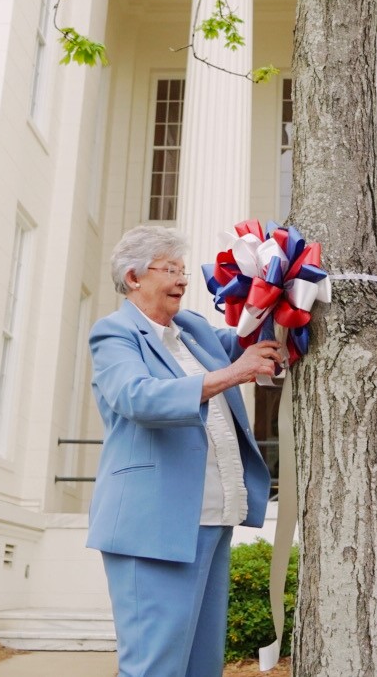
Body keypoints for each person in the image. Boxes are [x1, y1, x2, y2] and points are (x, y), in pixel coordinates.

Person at [87, 225, 281, 677]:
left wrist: (277, 283)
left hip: (213, 518)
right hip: (153, 525)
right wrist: (235, 373)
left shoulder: (192, 329)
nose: (182, 280)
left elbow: (254, 336)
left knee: (201, 665)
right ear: (134, 277)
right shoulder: (114, 332)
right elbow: (138, 396)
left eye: (183, 270)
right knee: (154, 667)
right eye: (170, 269)